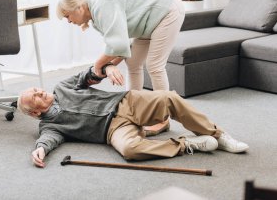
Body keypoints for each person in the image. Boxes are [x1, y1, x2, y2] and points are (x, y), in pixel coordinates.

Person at [17, 66, 249, 168]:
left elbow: (87, 74)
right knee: (129, 150)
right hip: (112, 131)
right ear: (35, 112)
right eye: (35, 97)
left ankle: (217, 135)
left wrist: (105, 70)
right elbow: (48, 140)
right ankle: (187, 144)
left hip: (125, 102)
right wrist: (40, 150)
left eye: (37, 89)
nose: (40, 91)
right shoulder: (50, 126)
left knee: (169, 97)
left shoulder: (61, 87)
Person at [56, 0, 185, 136]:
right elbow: (120, 48)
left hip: (166, 10)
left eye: (67, 16)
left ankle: (162, 118)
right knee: (133, 63)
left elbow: (118, 45)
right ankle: (134, 110)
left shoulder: (101, 6)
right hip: (147, 21)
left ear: (78, 7)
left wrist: (98, 65)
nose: (68, 21)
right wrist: (106, 68)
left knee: (154, 65)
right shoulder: (96, 14)